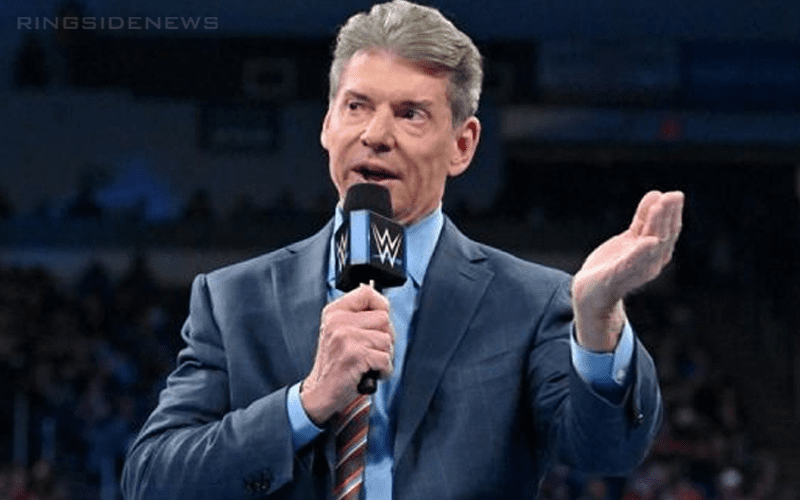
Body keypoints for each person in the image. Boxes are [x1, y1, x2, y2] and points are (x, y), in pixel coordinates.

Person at [121, 1, 684, 499]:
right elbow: (154, 480)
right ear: (327, 124)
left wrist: (598, 315)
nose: (375, 134)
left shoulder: (531, 303)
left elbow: (607, 452)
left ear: (462, 145)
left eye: (410, 113)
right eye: (357, 106)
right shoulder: (232, 300)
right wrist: (307, 402)